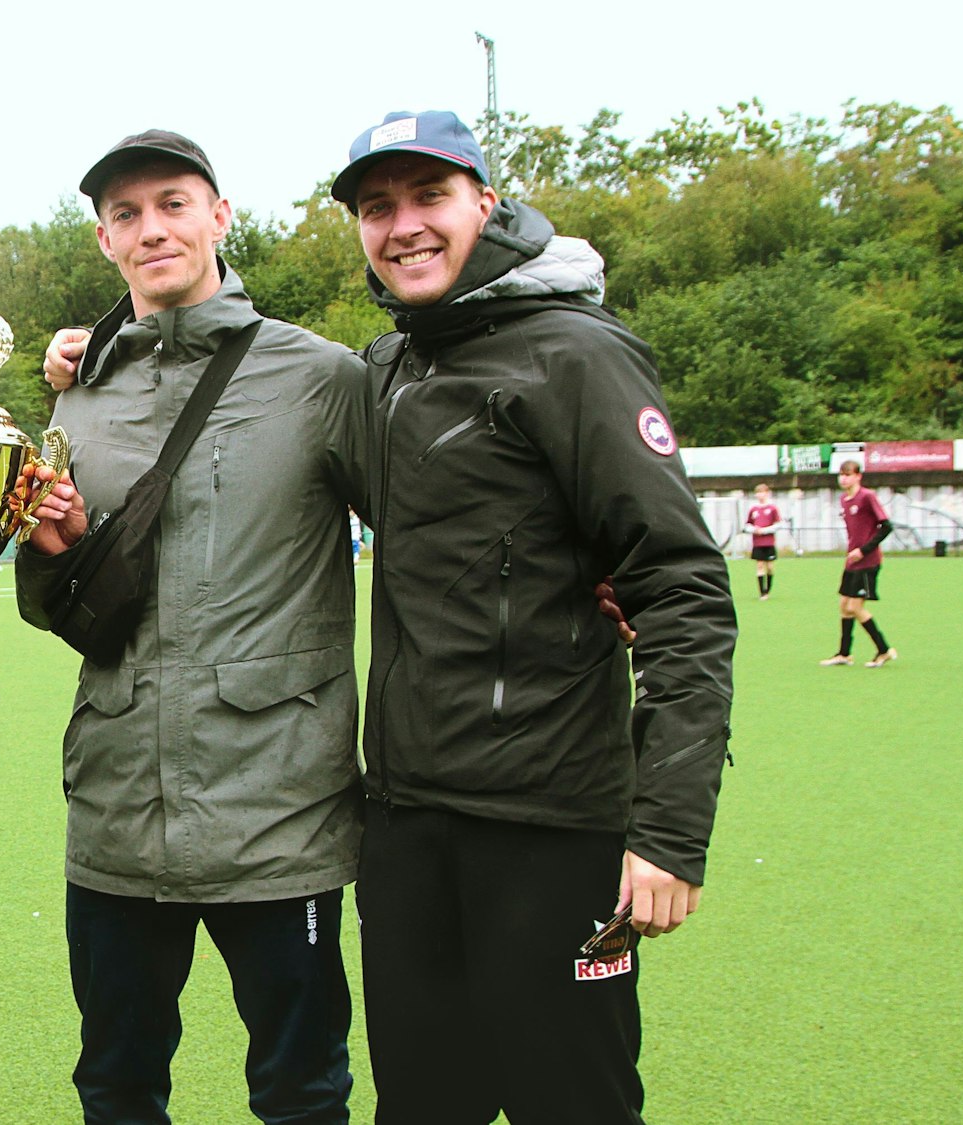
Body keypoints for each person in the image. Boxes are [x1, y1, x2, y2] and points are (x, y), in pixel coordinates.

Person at [332, 110, 738, 1122]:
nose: (401, 227)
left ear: (486, 202)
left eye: (428, 197)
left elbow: (680, 587)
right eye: (375, 208)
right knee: (421, 1105)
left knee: (572, 1103)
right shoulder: (388, 365)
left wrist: (670, 835)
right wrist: (111, 350)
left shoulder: (572, 352)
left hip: (547, 828)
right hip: (405, 826)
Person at [15, 130, 370, 1124]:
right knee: (116, 1085)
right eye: (126, 214)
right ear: (102, 240)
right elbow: (58, 605)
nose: (151, 228)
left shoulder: (318, 377)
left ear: (219, 216)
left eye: (172, 203)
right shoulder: (77, 402)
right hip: (118, 807)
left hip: (278, 805)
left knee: (301, 1089)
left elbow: (428, 540)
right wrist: (49, 555)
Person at [820, 459, 897, 667]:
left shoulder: (867, 497)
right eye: (841, 474)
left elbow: (886, 526)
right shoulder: (844, 500)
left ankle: (884, 650)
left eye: (848, 474)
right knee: (844, 605)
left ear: (858, 476)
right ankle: (844, 654)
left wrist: (864, 550)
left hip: (868, 561)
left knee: (855, 606)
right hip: (851, 561)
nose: (843, 478)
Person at [742, 483, 782, 600]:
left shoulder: (772, 508)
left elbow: (778, 524)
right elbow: (747, 524)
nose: (760, 495)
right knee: (759, 565)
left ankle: (768, 589)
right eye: (758, 493)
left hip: (769, 542)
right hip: (757, 543)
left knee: (769, 567)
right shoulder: (754, 509)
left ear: (767, 493)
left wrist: (764, 530)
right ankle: (762, 593)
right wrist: (754, 530)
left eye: (762, 492)